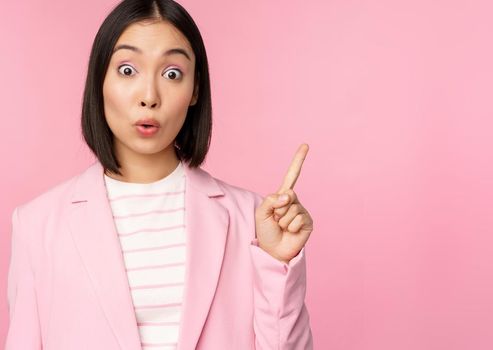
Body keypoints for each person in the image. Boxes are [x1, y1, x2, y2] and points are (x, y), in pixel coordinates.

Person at [4, 0, 314, 349]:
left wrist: (278, 263)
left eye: (172, 74)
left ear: (195, 89)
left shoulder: (251, 221)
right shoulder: (37, 225)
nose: (149, 96)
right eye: (127, 70)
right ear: (99, 80)